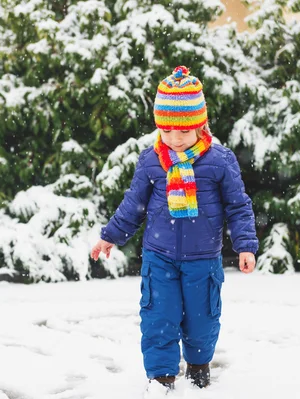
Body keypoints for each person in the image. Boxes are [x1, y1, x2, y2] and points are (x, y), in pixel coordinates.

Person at [91, 66, 258, 392]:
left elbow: (238, 206)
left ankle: (198, 369)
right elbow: (133, 205)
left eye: (183, 131)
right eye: (166, 131)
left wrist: (246, 245)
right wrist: (110, 235)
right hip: (159, 257)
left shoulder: (219, 161)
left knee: (202, 321)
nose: (175, 139)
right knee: (158, 319)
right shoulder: (151, 160)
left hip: (203, 259)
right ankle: (161, 379)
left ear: (200, 126)